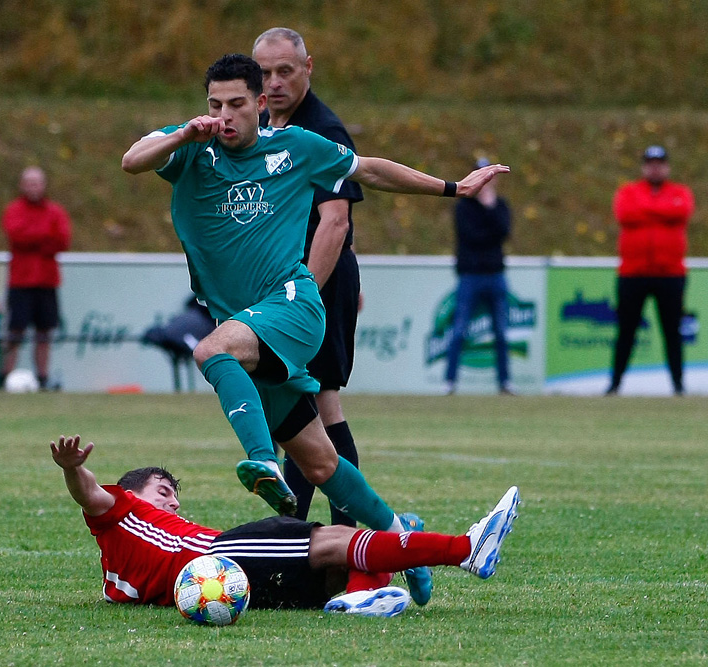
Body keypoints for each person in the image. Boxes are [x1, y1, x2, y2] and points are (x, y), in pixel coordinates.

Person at [122, 53, 508, 605]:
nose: (224, 115)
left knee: (210, 350)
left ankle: (259, 460)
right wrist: (185, 132)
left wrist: (454, 188)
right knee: (322, 463)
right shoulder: (192, 149)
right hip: (248, 328)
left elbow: (369, 169)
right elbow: (132, 161)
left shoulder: (297, 147)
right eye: (214, 105)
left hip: (294, 305)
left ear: (260, 103)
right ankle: (407, 543)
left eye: (236, 104)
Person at [51, 434, 520, 614]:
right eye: (163, 492)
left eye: (174, 495)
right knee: (339, 540)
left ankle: (363, 594)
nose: (172, 503)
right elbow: (89, 493)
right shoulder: (123, 511)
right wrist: (73, 467)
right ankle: (465, 549)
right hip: (220, 557)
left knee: (334, 568)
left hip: (228, 577)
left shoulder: (119, 570)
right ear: (130, 493)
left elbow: (123, 588)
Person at [252, 27, 365, 529]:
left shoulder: (322, 131)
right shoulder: (259, 123)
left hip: (311, 285)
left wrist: (305, 300)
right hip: (282, 285)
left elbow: (334, 221)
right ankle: (315, 530)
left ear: (308, 68)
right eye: (264, 73)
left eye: (285, 71)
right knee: (300, 405)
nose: (273, 83)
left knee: (315, 402)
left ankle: (326, 529)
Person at [607, 145, 694, 396]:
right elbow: (625, 215)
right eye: (650, 163)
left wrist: (646, 210)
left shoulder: (680, 192)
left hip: (670, 274)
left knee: (672, 331)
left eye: (660, 163)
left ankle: (678, 385)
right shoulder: (629, 191)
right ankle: (615, 384)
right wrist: (662, 213)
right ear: (644, 166)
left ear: (666, 166)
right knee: (626, 331)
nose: (655, 168)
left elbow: (681, 211)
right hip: (633, 273)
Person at [444, 157, 514, 395]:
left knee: (501, 332)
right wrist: (488, 222)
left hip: (495, 274)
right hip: (470, 275)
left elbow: (503, 231)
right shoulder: (463, 206)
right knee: (459, 330)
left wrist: (490, 208)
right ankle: (450, 382)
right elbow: (471, 236)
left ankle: (505, 382)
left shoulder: (499, 205)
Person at [0, 166, 72, 389]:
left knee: (44, 332)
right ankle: (4, 376)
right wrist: (43, 235)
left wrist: (35, 237)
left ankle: (42, 378)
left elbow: (62, 240)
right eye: (29, 183)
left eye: (37, 183)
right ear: (22, 185)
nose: (34, 187)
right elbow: (17, 236)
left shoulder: (55, 212)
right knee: (15, 331)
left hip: (46, 281)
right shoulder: (14, 210)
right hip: (21, 281)